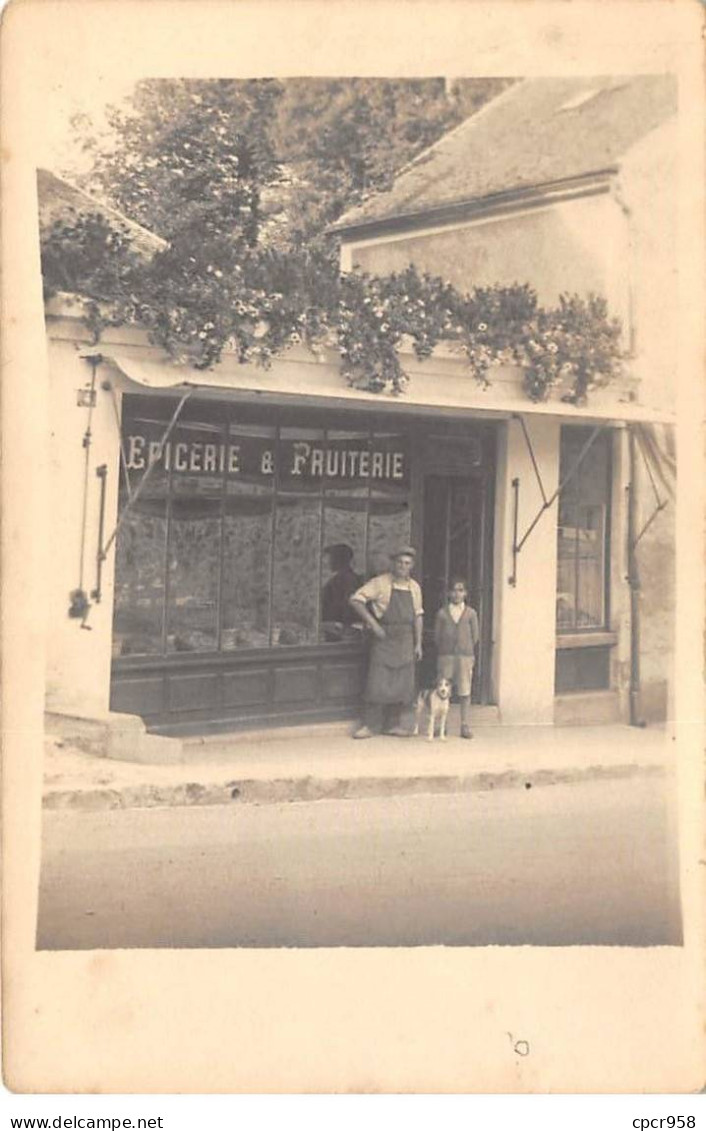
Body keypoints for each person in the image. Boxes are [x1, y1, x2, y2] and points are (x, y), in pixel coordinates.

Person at [349, 546, 423, 738]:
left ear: (412, 566)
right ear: (393, 563)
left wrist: (418, 643)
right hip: (385, 637)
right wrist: (373, 624)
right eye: (399, 562)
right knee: (378, 681)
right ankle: (370, 726)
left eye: (407, 563)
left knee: (402, 683)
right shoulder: (380, 583)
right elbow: (356, 600)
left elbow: (418, 616)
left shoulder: (414, 587)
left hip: (406, 638)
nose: (402, 566)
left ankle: (393, 724)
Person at [434, 577, 479, 739]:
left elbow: (475, 636)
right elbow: (437, 636)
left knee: (464, 690)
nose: (457, 594)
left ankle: (464, 724)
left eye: (460, 590)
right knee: (443, 689)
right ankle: (442, 725)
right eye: (453, 590)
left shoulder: (471, 613)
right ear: (448, 593)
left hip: (465, 657)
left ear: (465, 593)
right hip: (446, 656)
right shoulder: (442, 613)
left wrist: (465, 648)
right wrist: (446, 649)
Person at [320, 544, 363, 642]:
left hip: (341, 635)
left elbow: (348, 607)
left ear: (337, 559)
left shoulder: (342, 581)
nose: (327, 562)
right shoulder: (344, 579)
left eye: (330, 558)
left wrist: (341, 626)